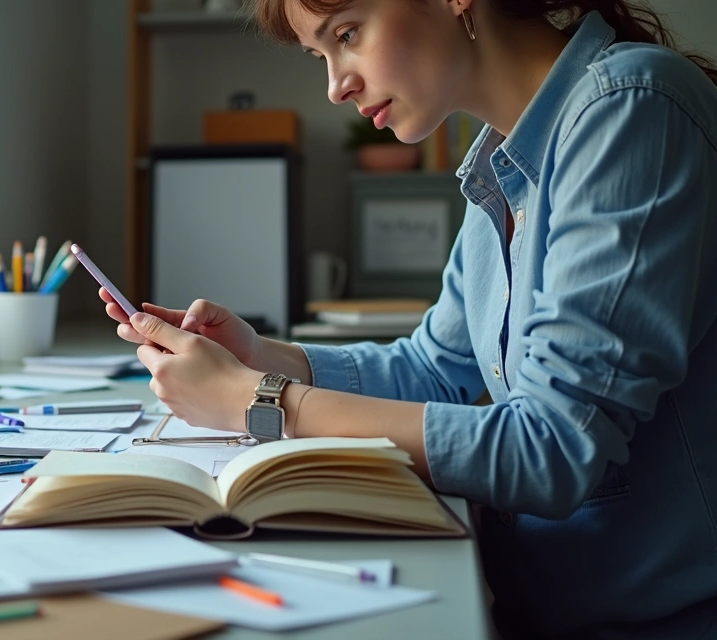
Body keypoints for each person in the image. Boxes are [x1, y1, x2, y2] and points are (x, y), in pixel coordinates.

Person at [99, 0, 717, 637]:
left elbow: (551, 449)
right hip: (533, 610)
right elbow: (431, 368)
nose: (337, 85)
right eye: (322, 55)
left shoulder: (631, 110)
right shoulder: (504, 164)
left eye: (347, 35)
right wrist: (262, 357)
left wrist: (259, 401)